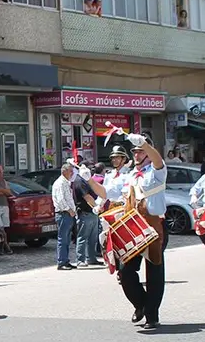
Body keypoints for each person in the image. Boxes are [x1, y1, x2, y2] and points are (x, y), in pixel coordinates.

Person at [91, 136, 168, 329]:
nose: (137, 153)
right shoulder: (131, 175)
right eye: (134, 151)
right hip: (132, 226)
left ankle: (152, 315)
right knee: (125, 271)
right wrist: (88, 180)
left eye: (140, 150)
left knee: (154, 274)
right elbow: (108, 194)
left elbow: (157, 160)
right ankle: (140, 304)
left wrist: (145, 144)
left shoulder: (157, 171)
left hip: (152, 225)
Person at [73, 162, 102, 266]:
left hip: (91, 212)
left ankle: (91, 258)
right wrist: (96, 206)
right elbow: (87, 197)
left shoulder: (85, 180)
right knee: (83, 237)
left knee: (93, 238)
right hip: (85, 212)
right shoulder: (79, 181)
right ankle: (80, 260)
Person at [52, 161, 80, 270]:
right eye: (71, 172)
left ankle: (66, 260)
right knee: (63, 239)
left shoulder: (65, 182)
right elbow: (60, 200)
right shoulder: (60, 183)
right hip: (64, 214)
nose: (72, 174)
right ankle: (61, 262)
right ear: (64, 172)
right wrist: (69, 210)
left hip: (68, 214)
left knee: (67, 239)